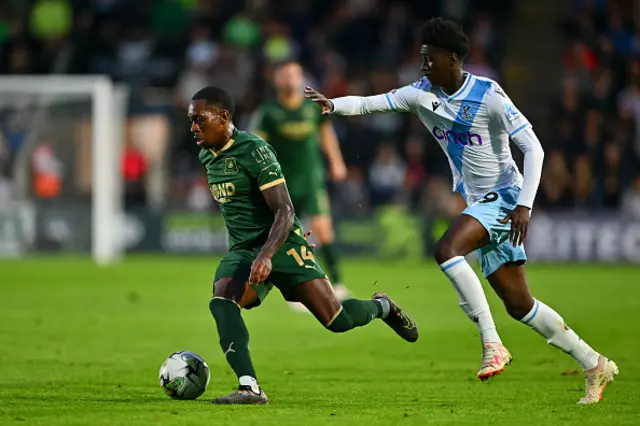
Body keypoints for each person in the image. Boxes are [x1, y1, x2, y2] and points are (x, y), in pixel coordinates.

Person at [304, 17, 618, 405]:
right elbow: (372, 103)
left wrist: (525, 205)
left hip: (505, 195)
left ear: (452, 58)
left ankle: (492, 344)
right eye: (421, 59)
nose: (423, 66)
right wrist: (333, 104)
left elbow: (534, 148)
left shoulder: (489, 95)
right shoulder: (420, 94)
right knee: (521, 305)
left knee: (446, 249)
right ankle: (594, 363)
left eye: (429, 59)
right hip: (480, 203)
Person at [189, 86, 418, 405]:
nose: (193, 127)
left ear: (224, 116)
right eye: (191, 120)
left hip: (282, 245)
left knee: (336, 320)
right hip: (244, 250)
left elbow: (285, 210)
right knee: (223, 301)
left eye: (200, 119)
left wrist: (268, 254)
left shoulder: (255, 151)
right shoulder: (206, 156)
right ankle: (249, 387)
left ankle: (383, 307)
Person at [250, 60, 350, 312]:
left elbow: (326, 133)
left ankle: (337, 284)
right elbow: (257, 145)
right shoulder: (269, 112)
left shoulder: (311, 108)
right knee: (282, 237)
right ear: (277, 80)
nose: (291, 79)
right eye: (286, 75)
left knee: (323, 230)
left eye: (295, 74)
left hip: (311, 180)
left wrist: (336, 161)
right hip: (281, 184)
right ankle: (295, 290)